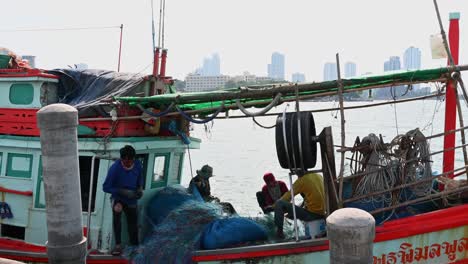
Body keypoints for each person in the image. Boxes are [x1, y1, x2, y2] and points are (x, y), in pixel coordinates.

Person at [103, 145, 144, 256]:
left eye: (130, 161)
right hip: (118, 197)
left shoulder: (138, 165)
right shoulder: (115, 169)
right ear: (121, 159)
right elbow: (105, 187)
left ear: (133, 159)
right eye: (125, 161)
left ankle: (135, 245)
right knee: (117, 212)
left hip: (132, 199)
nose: (128, 163)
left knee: (133, 222)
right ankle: (118, 246)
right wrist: (121, 191)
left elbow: (140, 178)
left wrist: (140, 188)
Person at [274, 170, 325, 239]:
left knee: (279, 203)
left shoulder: (302, 180)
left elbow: (285, 198)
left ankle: (279, 233)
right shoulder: (319, 176)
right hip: (323, 214)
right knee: (291, 214)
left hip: (313, 215)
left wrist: (273, 206)